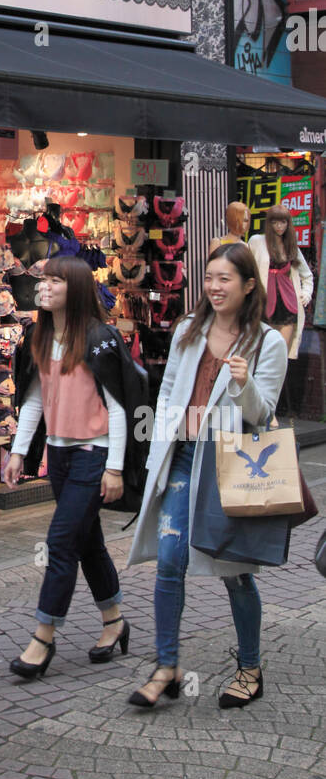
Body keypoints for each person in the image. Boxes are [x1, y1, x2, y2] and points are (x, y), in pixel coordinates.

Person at [126, 244, 288, 708]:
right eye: (210, 278)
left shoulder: (266, 342)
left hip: (232, 464)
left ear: (249, 285)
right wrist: (156, 452)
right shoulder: (187, 331)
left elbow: (264, 414)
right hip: (183, 458)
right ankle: (166, 666)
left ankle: (250, 667)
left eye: (226, 279)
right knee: (169, 560)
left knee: (235, 570)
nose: (214, 288)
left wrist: (243, 383)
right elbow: (169, 397)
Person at [4, 257, 130, 676]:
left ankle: (43, 638)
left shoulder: (100, 338)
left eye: (56, 280)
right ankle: (114, 622)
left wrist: (114, 467)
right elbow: (36, 400)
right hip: (57, 456)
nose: (45, 286)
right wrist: (20, 453)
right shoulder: (39, 336)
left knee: (60, 542)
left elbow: (118, 405)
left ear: (74, 288)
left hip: (92, 455)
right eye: (44, 280)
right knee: (87, 540)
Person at [247, 204, 313, 359]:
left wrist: (306, 293)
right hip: (264, 303)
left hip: (288, 303)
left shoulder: (291, 247)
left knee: (281, 355)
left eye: (283, 222)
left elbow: (307, 275)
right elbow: (246, 269)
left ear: (288, 224)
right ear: (269, 223)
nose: (279, 226)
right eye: (275, 222)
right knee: (261, 353)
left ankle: (281, 383)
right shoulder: (257, 241)